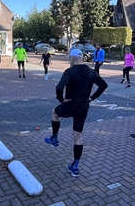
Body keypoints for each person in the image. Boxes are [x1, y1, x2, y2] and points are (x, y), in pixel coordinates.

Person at [44, 48, 108, 177]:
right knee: (78, 136)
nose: (70, 61)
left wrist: (61, 100)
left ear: (72, 58)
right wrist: (92, 98)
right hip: (84, 107)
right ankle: (75, 165)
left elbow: (59, 88)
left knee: (55, 113)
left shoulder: (70, 71)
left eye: (70, 59)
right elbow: (103, 85)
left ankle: (54, 138)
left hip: (71, 105)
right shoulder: (91, 72)